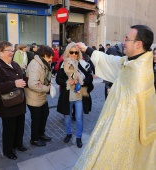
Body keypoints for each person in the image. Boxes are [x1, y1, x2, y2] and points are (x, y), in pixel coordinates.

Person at [73, 25, 156, 169]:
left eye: (127, 39)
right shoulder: (133, 61)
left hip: (121, 135)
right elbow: (111, 61)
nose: (123, 41)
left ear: (138, 44)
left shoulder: (138, 73)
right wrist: (87, 49)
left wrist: (115, 91)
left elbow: (127, 114)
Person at [0, 41, 27, 160]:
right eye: (9, 50)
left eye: (12, 50)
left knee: (20, 126)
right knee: (9, 129)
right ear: (0, 52)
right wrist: (13, 83)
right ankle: (8, 150)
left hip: (19, 100)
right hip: (7, 104)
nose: (12, 52)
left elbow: (22, 79)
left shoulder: (15, 64)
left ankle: (18, 144)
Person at [56, 42, 93, 148]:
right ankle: (68, 133)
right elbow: (58, 79)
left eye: (76, 52)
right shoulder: (63, 64)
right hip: (67, 96)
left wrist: (81, 82)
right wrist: (68, 82)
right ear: (68, 52)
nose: (74, 54)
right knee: (67, 117)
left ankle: (78, 137)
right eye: (71, 52)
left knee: (79, 117)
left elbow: (89, 78)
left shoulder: (83, 63)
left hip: (79, 96)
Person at [24, 45, 53, 147]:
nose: (51, 59)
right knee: (36, 119)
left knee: (44, 114)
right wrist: (47, 88)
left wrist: (45, 85)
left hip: (41, 96)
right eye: (50, 56)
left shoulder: (42, 63)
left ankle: (41, 134)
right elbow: (33, 84)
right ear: (45, 55)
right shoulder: (35, 65)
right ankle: (34, 139)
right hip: (34, 97)